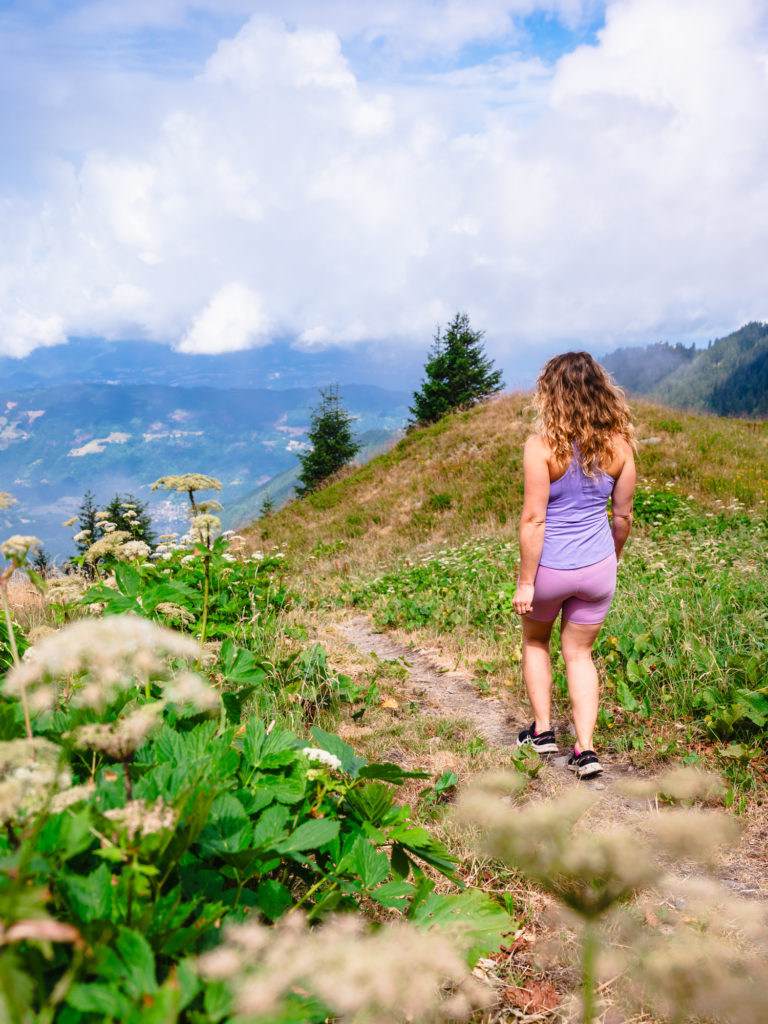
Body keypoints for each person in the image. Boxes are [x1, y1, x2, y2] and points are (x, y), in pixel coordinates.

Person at [512, 352, 636, 778]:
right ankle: (585, 750)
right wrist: (611, 558)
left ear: (551, 394)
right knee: (580, 654)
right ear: (601, 391)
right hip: (598, 568)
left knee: (536, 641)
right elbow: (623, 517)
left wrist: (526, 582)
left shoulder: (541, 447)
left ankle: (543, 732)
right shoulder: (620, 448)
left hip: (551, 569)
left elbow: (534, 520)